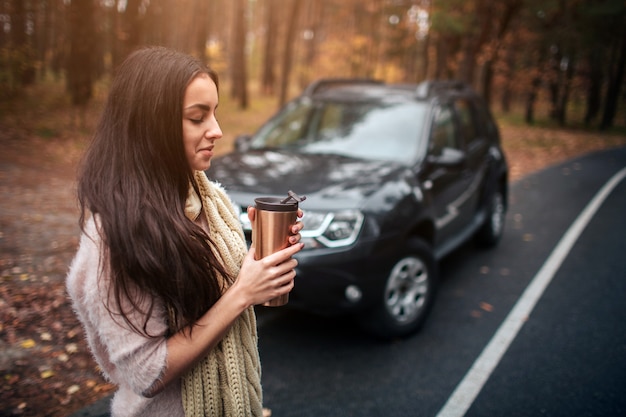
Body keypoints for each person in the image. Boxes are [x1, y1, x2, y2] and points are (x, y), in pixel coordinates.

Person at [66, 46, 304, 417]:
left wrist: (261, 256)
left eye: (215, 113)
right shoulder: (114, 236)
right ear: (150, 125)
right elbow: (147, 373)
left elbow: (218, 291)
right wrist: (242, 293)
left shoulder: (209, 198)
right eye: (198, 117)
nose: (217, 131)